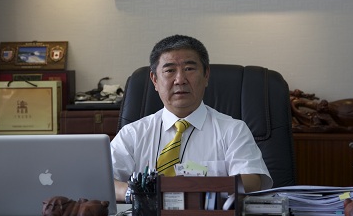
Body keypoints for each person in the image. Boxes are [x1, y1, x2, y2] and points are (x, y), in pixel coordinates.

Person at [111, 34, 272, 202]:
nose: (180, 80)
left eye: (189, 69)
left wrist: (193, 188)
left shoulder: (233, 130)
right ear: (155, 80)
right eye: (169, 70)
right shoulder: (133, 133)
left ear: (206, 75)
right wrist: (136, 193)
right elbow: (103, 180)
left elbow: (251, 182)